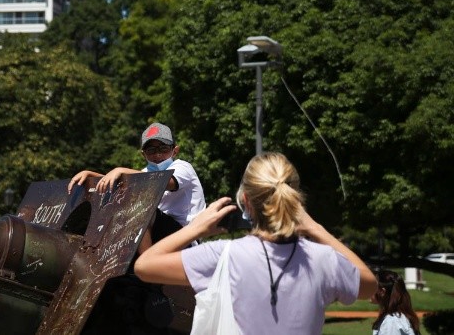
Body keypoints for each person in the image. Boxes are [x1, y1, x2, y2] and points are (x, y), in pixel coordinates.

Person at [134, 152, 378, 334]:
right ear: (294, 199)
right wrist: (316, 228)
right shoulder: (323, 260)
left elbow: (145, 266)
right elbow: (369, 285)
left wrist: (195, 227)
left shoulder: (224, 256)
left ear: (245, 201)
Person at [68, 122, 206, 251]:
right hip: (161, 239)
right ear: (143, 154)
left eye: (163, 148)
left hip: (186, 238)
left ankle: (147, 264)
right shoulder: (145, 174)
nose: (158, 154)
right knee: (119, 208)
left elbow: (162, 182)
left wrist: (120, 170)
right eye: (151, 150)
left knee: (143, 208)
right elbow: (123, 182)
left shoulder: (182, 167)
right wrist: (91, 175)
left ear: (175, 151)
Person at [371, 269, 420, 335]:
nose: (368, 290)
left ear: (382, 292)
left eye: (372, 286)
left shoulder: (391, 322)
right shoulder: (394, 318)